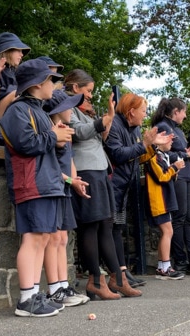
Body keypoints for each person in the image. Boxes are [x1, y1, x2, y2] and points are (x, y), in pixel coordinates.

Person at [0, 59, 73, 317]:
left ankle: (33, 295)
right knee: (32, 238)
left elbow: (40, 142)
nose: (55, 84)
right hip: (32, 183)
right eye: (51, 80)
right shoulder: (17, 110)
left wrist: (56, 136)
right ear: (38, 83)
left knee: (41, 238)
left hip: (47, 183)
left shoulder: (38, 111)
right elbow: (25, 144)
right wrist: (54, 136)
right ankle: (26, 299)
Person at [63, 69, 126, 300]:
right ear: (76, 88)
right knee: (90, 225)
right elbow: (78, 134)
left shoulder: (87, 111)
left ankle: (116, 278)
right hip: (85, 169)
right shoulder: (67, 107)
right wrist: (105, 119)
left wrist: (107, 119)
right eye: (88, 90)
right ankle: (95, 280)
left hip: (100, 169)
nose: (90, 96)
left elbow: (101, 138)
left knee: (105, 224)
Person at [104, 93, 172, 294]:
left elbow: (136, 158)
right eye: (143, 110)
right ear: (131, 111)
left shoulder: (133, 128)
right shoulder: (115, 124)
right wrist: (144, 144)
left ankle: (122, 271)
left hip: (124, 186)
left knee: (118, 228)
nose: (145, 115)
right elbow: (117, 154)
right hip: (113, 184)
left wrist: (151, 145)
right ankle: (116, 273)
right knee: (112, 229)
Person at [42, 90, 91, 307]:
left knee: (62, 239)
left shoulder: (66, 132)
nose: (72, 110)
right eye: (68, 107)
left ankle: (63, 285)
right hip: (55, 187)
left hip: (65, 189)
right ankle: (55, 289)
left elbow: (69, 161)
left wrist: (75, 181)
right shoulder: (51, 131)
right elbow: (50, 165)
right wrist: (69, 181)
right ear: (58, 110)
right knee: (54, 239)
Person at [151, 98, 190, 276]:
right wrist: (188, 153)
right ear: (176, 111)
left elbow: (178, 152)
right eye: (184, 111)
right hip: (178, 176)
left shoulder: (177, 130)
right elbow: (163, 152)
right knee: (180, 218)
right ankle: (181, 260)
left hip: (187, 175)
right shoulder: (164, 127)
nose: (185, 115)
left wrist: (189, 152)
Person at [144, 128, 185, 280]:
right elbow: (161, 177)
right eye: (169, 139)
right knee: (168, 231)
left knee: (166, 232)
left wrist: (174, 169)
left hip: (164, 198)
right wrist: (175, 168)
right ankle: (166, 267)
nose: (171, 142)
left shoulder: (162, 156)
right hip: (158, 200)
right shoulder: (154, 157)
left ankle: (163, 265)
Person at [0, 32, 30, 125]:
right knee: (18, 92)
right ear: (8, 50)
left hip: (12, 115)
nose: (22, 54)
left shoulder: (15, 72)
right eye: (18, 50)